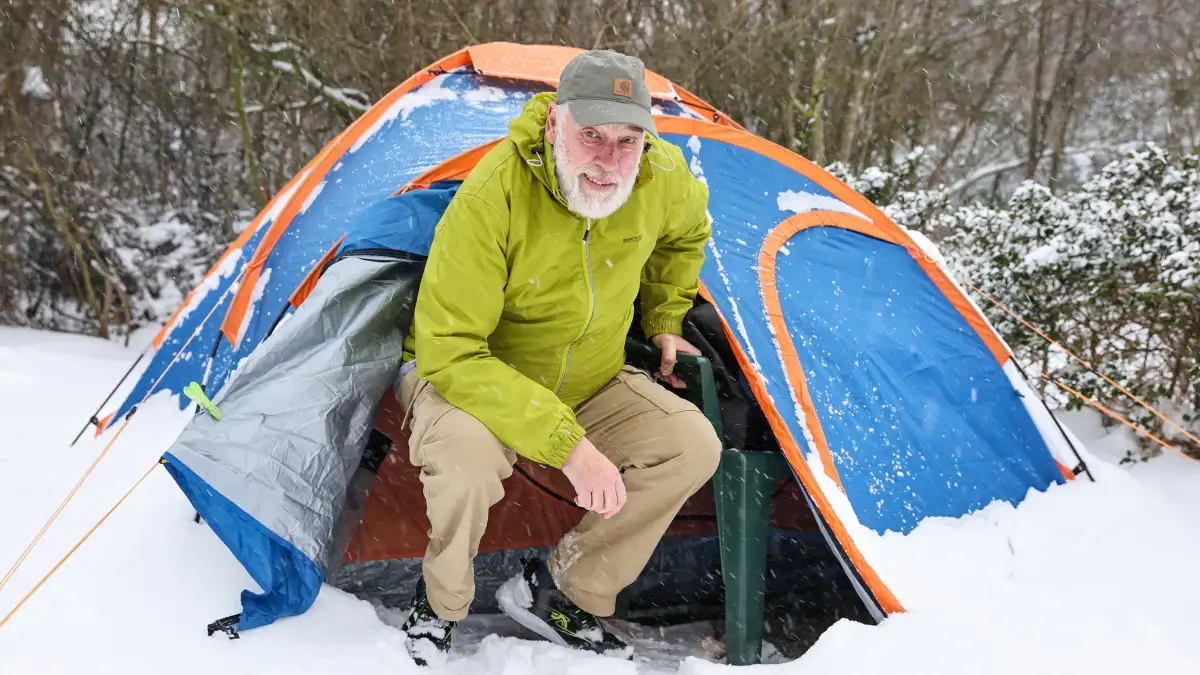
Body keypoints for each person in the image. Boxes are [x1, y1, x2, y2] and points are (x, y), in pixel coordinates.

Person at [395, 49, 721, 665]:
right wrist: (568, 446)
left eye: (627, 140)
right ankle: (439, 604)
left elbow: (687, 234)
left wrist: (665, 320)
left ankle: (562, 591)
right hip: (469, 379)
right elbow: (452, 351)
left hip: (588, 379)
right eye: (591, 134)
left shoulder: (661, 175)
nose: (609, 159)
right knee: (467, 457)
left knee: (691, 444)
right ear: (553, 124)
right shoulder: (495, 193)